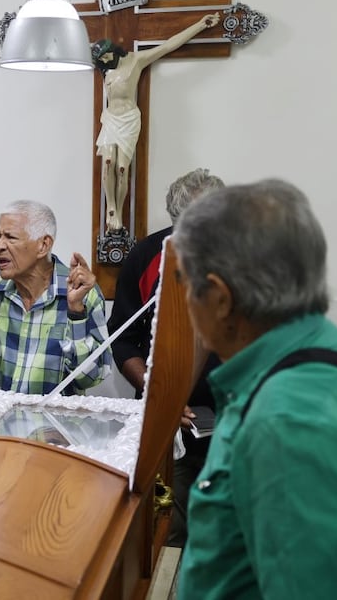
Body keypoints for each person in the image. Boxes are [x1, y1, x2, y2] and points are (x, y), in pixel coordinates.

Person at [173, 181, 337, 599]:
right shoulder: (323, 351)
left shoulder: (290, 419)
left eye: (187, 285)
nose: (186, 303)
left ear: (222, 299)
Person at [107, 167, 225, 549]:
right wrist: (157, 389)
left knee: (225, 536)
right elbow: (123, 340)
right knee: (166, 532)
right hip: (167, 424)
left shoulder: (247, 260)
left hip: (233, 425)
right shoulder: (147, 256)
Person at [0, 200, 111, 395]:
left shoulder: (82, 292)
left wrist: (76, 313)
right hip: (0, 423)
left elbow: (90, 378)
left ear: (43, 245)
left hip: (54, 423)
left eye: (10, 237)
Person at [93, 13, 220, 233]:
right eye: (101, 62)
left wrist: (199, 25)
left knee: (122, 168)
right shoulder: (106, 69)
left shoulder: (136, 60)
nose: (104, 63)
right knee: (107, 164)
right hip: (111, 119)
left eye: (104, 58)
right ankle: (111, 210)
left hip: (129, 119)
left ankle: (119, 213)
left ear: (111, 50)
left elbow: (168, 46)